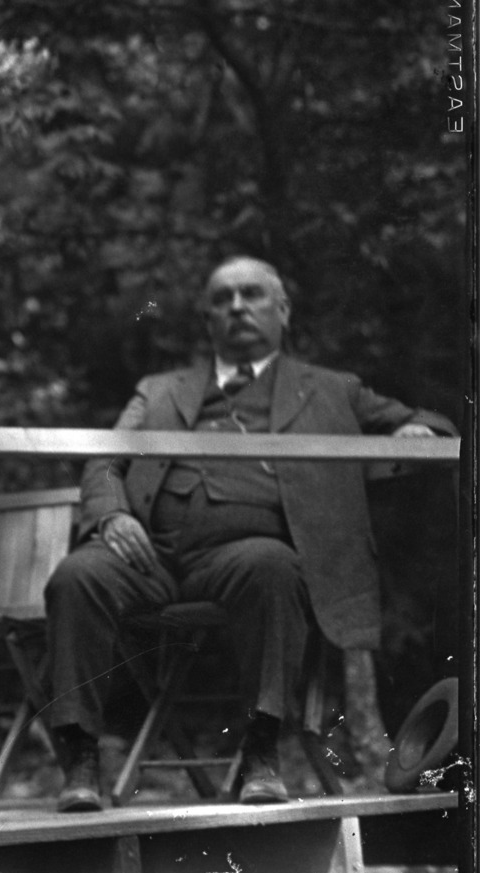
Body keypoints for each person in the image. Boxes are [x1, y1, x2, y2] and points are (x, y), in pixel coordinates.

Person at [42, 256, 456, 811]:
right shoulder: (160, 390)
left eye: (252, 295)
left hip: (244, 554)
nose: (237, 306)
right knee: (75, 577)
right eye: (223, 298)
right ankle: (80, 763)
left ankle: (261, 754)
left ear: (282, 312)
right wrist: (112, 515)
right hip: (150, 555)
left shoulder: (334, 390)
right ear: (208, 320)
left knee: (272, 566)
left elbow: (434, 425)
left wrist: (417, 429)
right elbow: (102, 462)